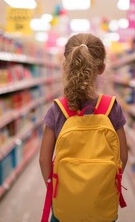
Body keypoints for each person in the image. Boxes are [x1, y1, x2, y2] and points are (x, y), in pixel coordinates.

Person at [39, 33, 128, 222]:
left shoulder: (58, 109)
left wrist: (57, 189)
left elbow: (43, 159)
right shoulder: (111, 107)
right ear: (102, 68)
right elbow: (123, 156)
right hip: (101, 205)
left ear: (65, 65)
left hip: (65, 205)